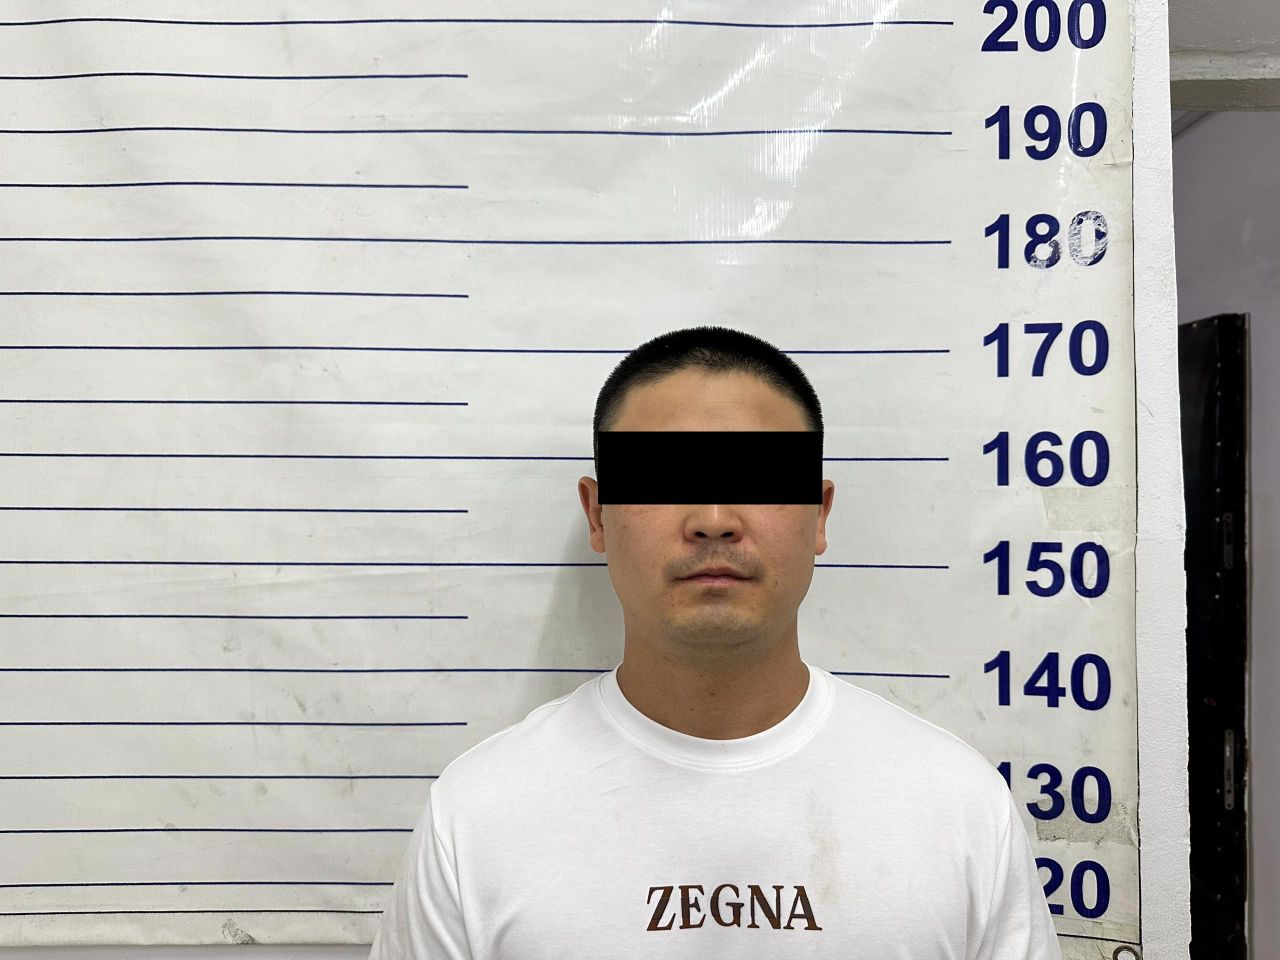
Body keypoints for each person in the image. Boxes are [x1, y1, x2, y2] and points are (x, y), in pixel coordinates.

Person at [369, 326, 1062, 959]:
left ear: (819, 514)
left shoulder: (958, 807)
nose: (712, 519)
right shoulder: (476, 816)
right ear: (598, 514)